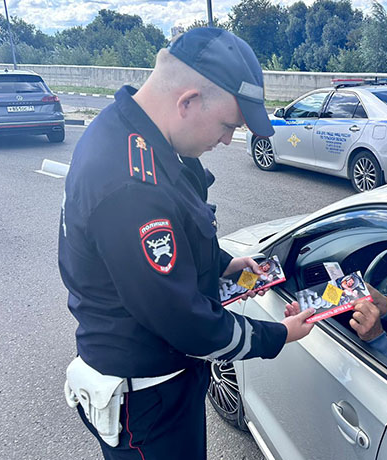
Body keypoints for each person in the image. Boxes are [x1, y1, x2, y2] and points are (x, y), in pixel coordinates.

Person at [59, 28, 314, 459]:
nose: (228, 140)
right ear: (189, 101)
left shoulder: (134, 134)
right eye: (228, 124)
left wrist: (226, 263)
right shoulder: (131, 185)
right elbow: (185, 322)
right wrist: (277, 335)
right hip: (147, 402)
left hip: (155, 381)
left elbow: (175, 242)